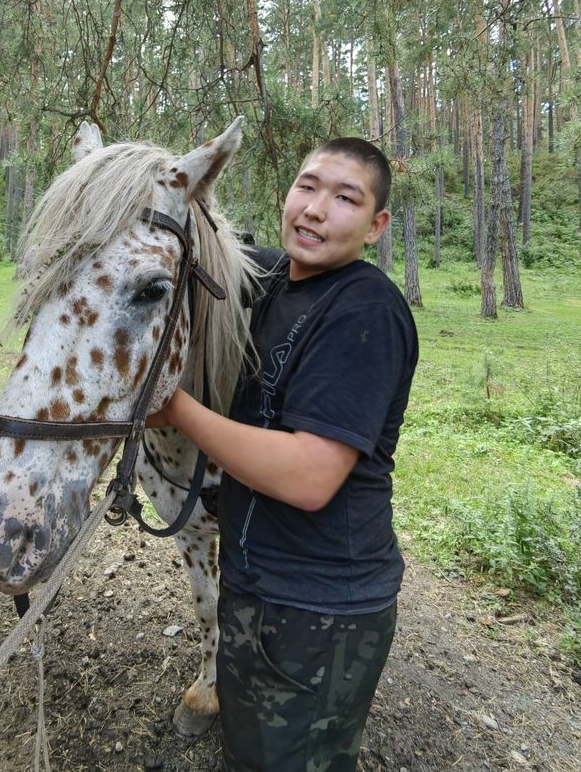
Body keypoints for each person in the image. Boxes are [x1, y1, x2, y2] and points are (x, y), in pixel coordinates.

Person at [148, 137, 418, 771]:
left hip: (320, 609)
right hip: (260, 585)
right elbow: (197, 250)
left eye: (345, 198)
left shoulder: (364, 311)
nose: (317, 209)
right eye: (308, 187)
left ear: (377, 226)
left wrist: (177, 407)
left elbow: (310, 476)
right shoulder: (274, 282)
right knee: (249, 751)